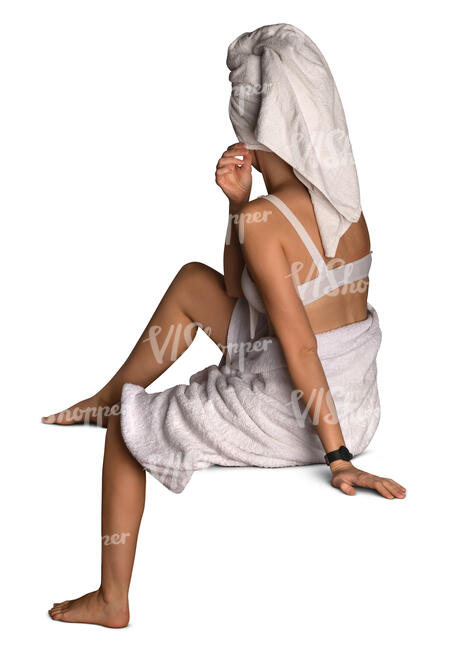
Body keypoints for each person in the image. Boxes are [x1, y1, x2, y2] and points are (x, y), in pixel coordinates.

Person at [45, 24, 406, 627]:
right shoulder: (348, 211)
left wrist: (337, 455)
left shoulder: (270, 219)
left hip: (303, 415)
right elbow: (241, 288)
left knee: (128, 429)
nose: (246, 148)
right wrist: (236, 205)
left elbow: (296, 342)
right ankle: (105, 393)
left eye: (251, 138)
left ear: (272, 133)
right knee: (193, 282)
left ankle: (111, 598)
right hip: (357, 401)